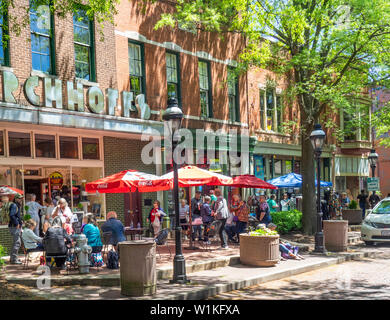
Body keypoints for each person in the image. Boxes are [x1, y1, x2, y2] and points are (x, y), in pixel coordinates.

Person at [3, 195, 23, 264]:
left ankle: (13, 258)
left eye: (21, 198)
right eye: (20, 198)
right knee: (17, 243)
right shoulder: (14, 205)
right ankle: (14, 259)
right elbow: (12, 215)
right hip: (14, 227)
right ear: (16, 199)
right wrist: (17, 223)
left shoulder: (16, 205)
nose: (21, 199)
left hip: (14, 226)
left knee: (16, 242)